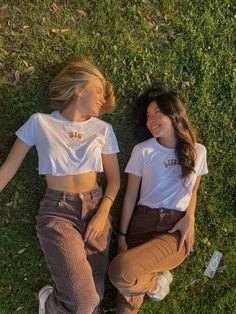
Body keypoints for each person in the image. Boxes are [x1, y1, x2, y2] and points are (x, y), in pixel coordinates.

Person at [0, 57, 120, 314]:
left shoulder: (104, 130)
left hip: (96, 208)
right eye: (98, 90)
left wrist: (102, 213)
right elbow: (8, 169)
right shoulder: (40, 123)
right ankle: (50, 303)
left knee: (94, 303)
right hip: (58, 211)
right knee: (86, 303)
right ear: (78, 88)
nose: (102, 97)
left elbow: (115, 179)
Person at [108, 86, 208, 313]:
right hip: (141, 223)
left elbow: (194, 191)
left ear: (174, 114)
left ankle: (155, 282)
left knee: (120, 271)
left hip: (174, 231)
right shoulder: (143, 150)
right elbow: (130, 196)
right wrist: (122, 236)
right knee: (125, 305)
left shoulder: (198, 151)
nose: (150, 120)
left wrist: (190, 218)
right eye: (147, 116)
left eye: (156, 113)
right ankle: (155, 283)